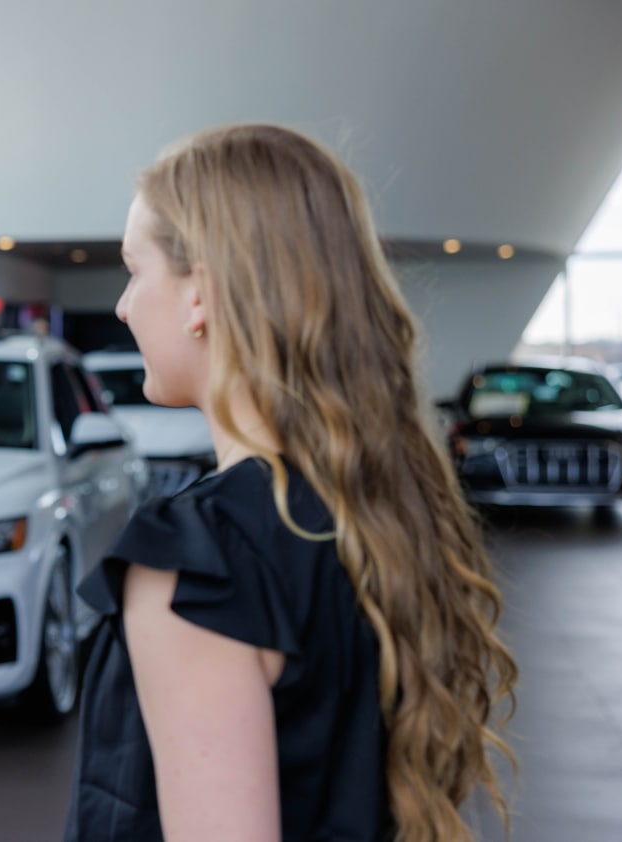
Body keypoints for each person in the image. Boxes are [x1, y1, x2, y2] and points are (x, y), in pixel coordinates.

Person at [64, 124, 518, 842]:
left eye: (135, 269)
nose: (123, 306)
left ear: (200, 294)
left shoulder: (198, 560)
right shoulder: (378, 511)